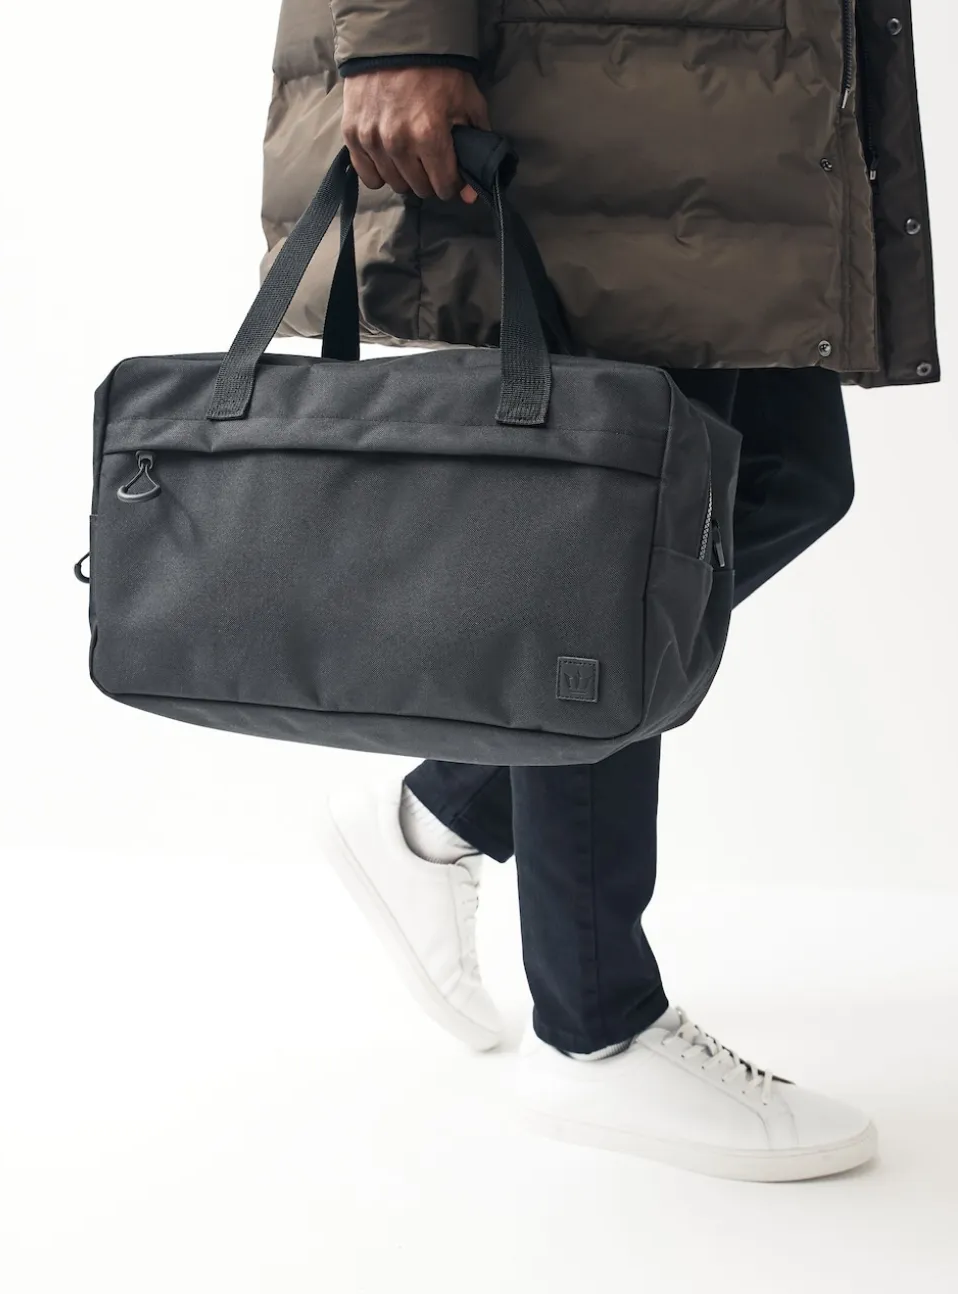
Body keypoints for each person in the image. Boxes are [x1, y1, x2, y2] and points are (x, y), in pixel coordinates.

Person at [261, 1, 938, 1181]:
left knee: (782, 478)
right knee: (613, 535)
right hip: (604, 79)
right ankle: (595, 1022)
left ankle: (443, 811)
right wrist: (399, 35)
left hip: (725, 85)